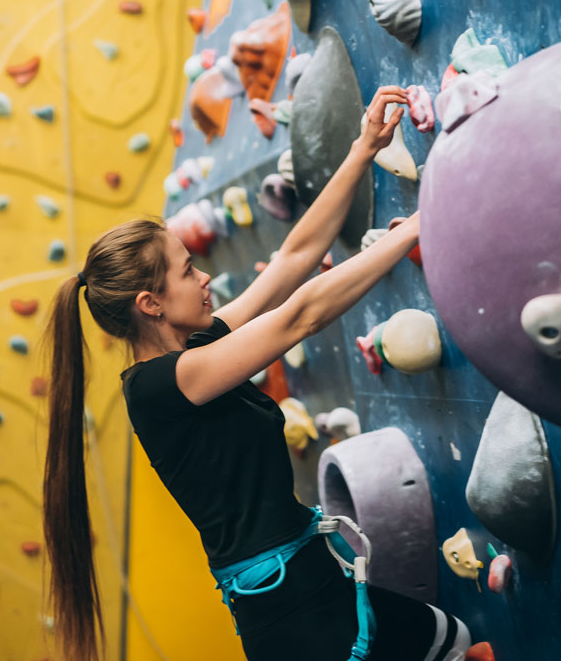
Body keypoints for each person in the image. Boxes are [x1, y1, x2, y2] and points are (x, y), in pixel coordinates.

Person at [44, 86, 472, 661]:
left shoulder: (199, 350)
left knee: (449, 639)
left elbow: (295, 257)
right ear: (151, 303)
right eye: (187, 270)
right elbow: (301, 316)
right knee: (445, 641)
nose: (203, 280)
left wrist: (362, 149)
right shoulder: (161, 386)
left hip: (312, 581)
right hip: (291, 614)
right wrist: (417, 227)